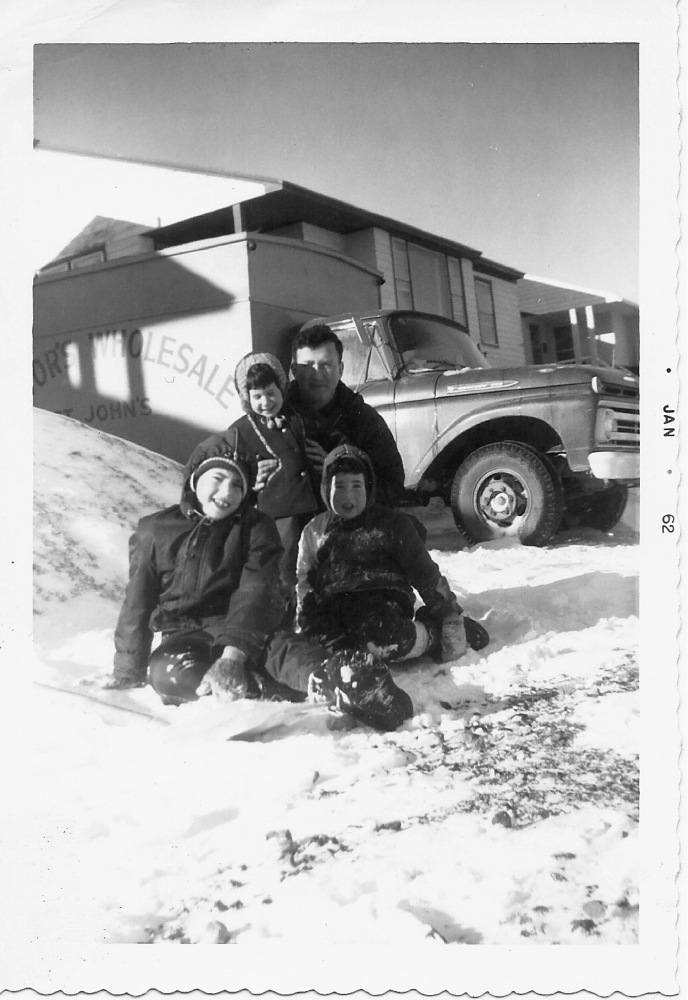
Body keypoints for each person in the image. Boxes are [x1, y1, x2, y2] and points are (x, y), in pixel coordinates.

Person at [104, 430, 413, 730]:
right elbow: (137, 602)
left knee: (282, 652)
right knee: (167, 674)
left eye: (238, 485)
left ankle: (339, 679)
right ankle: (261, 689)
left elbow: (255, 591)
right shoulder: (154, 530)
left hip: (250, 624)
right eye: (218, 480)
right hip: (184, 636)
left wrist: (232, 656)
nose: (227, 493)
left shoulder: (256, 527)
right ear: (195, 479)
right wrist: (128, 669)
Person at [292, 444, 490, 666]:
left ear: (368, 488)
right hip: (335, 607)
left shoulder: (392, 525)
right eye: (339, 486)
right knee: (328, 651)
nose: (348, 496)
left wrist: (448, 614)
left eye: (356, 486)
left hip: (382, 602)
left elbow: (424, 573)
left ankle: (430, 633)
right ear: (326, 489)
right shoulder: (315, 531)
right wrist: (306, 623)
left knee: (383, 640)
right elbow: (305, 583)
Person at [286, 325, 406, 509]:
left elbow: (393, 485)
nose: (317, 374)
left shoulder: (364, 420)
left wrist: (341, 470)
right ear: (294, 370)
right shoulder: (274, 418)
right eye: (308, 365)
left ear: (340, 369)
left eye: (326, 365)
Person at [229, 352, 320, 592]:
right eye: (257, 396)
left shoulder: (299, 418)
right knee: (286, 569)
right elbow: (231, 470)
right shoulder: (241, 432)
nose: (266, 402)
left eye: (271, 393)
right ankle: (285, 616)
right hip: (279, 516)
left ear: (282, 388)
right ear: (247, 398)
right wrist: (250, 478)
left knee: (317, 564)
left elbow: (322, 442)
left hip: (315, 509)